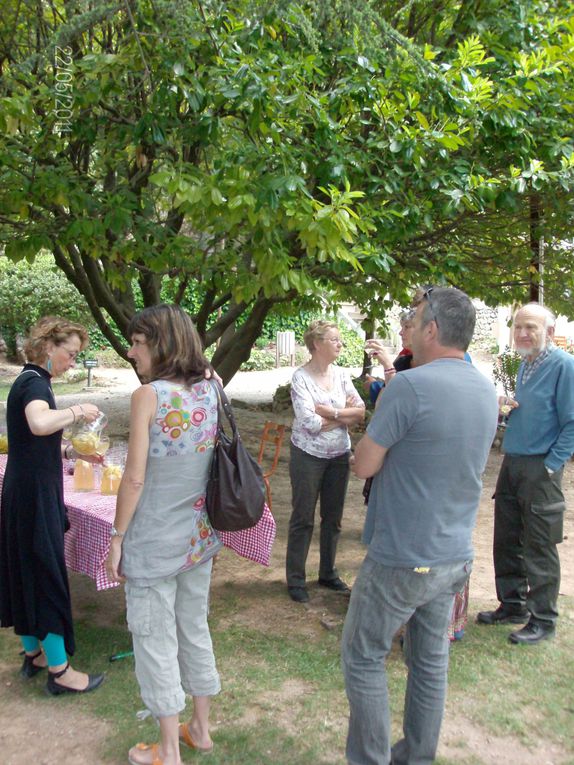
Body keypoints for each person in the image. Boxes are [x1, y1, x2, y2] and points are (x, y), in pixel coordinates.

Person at [342, 287, 498, 765]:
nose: (408, 326)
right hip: (453, 553)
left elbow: (365, 465)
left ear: (432, 330)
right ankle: (417, 757)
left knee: (363, 655)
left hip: (403, 555)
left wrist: (363, 449)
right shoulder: (485, 388)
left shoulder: (408, 386)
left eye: (414, 318)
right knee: (429, 662)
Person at [105, 304, 222, 765]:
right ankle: (201, 729)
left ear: (161, 343)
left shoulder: (148, 396)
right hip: (199, 537)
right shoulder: (212, 387)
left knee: (154, 637)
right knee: (193, 627)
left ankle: (168, 751)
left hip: (154, 542)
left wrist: (116, 537)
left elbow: (133, 478)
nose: (131, 352)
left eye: (138, 342)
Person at [0, 316, 105, 694]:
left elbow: (34, 442)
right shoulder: (33, 384)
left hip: (23, 489)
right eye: (71, 354)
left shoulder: (30, 382)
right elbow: (38, 423)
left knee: (26, 570)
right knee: (46, 574)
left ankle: (35, 654)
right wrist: (79, 412)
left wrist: (69, 451)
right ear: (49, 347)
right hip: (33, 495)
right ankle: (60, 672)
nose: (73, 362)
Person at [477, 303, 574, 644]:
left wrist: (551, 464)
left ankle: (543, 618)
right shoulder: (527, 363)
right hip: (513, 462)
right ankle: (512, 604)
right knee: (507, 538)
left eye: (530, 327)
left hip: (539, 467)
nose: (522, 333)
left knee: (539, 544)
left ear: (549, 332)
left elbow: (572, 422)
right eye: (518, 327)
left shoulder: (564, 365)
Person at [286, 320, 365, 603]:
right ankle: (295, 579)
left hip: (339, 456)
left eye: (340, 339)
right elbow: (308, 423)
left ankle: (328, 573)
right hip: (307, 456)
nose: (340, 344)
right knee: (303, 517)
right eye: (334, 339)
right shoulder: (300, 378)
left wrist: (328, 412)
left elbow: (360, 411)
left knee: (333, 519)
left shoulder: (343, 375)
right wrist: (342, 416)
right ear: (317, 344)